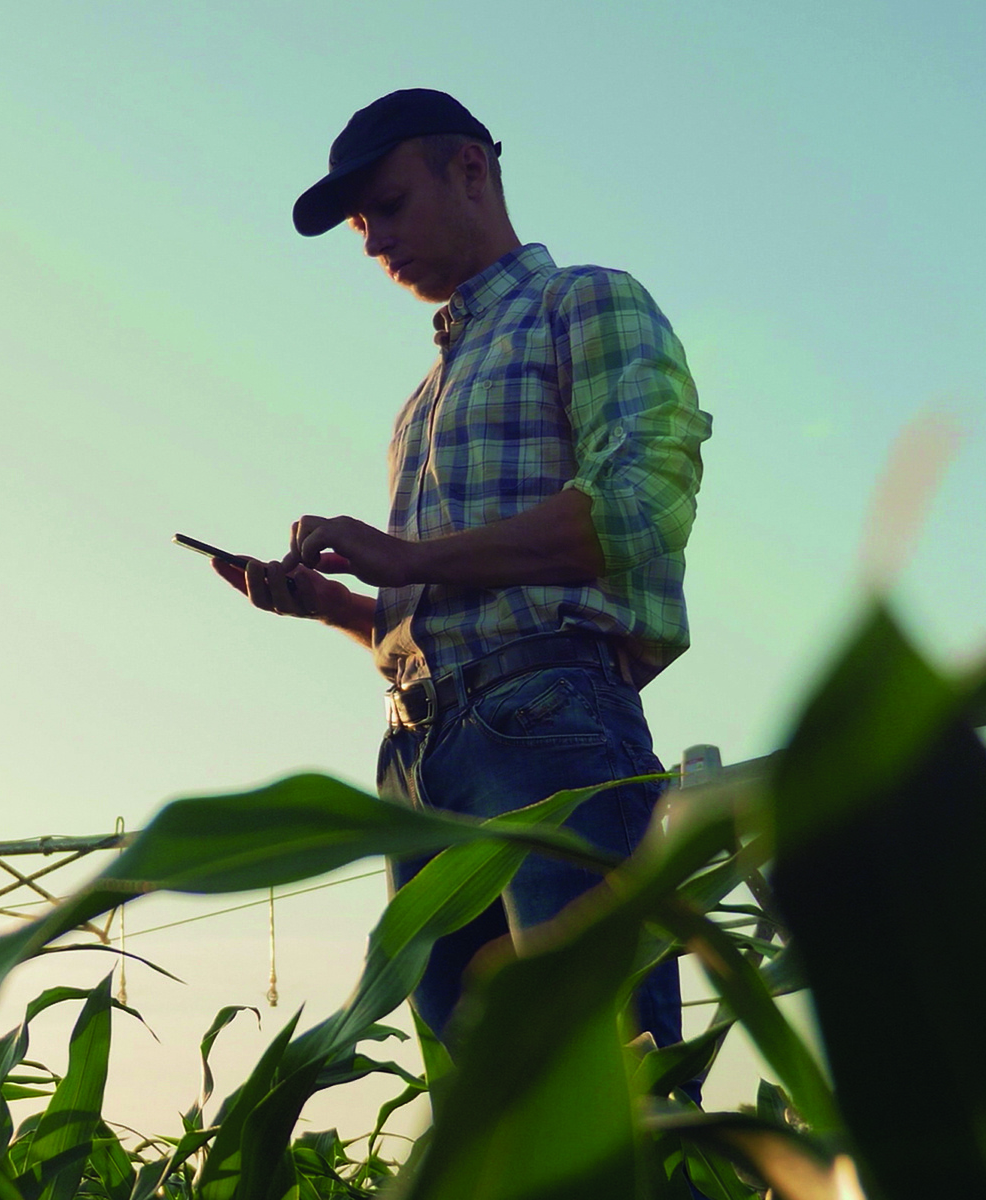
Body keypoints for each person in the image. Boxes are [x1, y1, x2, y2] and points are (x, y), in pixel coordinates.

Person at [213, 89, 712, 1051]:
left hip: (549, 728)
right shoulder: (420, 403)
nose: (371, 244)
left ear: (471, 172)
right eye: (361, 225)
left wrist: (408, 556)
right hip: (418, 753)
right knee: (486, 1128)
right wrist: (336, 608)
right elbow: (452, 609)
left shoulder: (588, 302)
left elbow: (645, 504)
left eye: (387, 208)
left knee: (609, 1085)